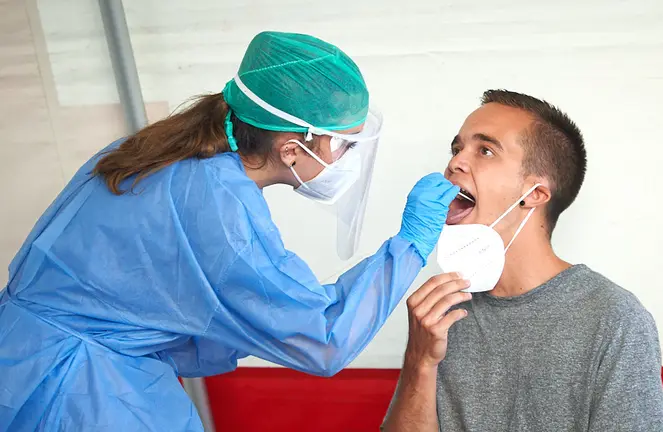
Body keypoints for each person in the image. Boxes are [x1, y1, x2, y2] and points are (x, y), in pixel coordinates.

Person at [0, 31, 459, 431]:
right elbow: (322, 337)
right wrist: (412, 243)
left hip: (20, 357)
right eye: (342, 144)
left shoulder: (153, 151)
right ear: (291, 149)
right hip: (77, 392)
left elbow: (157, 300)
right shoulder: (217, 204)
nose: (347, 159)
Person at [382, 90, 663, 431]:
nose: (455, 163)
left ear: (534, 194)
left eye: (485, 150)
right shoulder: (442, 312)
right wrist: (420, 361)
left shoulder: (614, 319)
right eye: (457, 148)